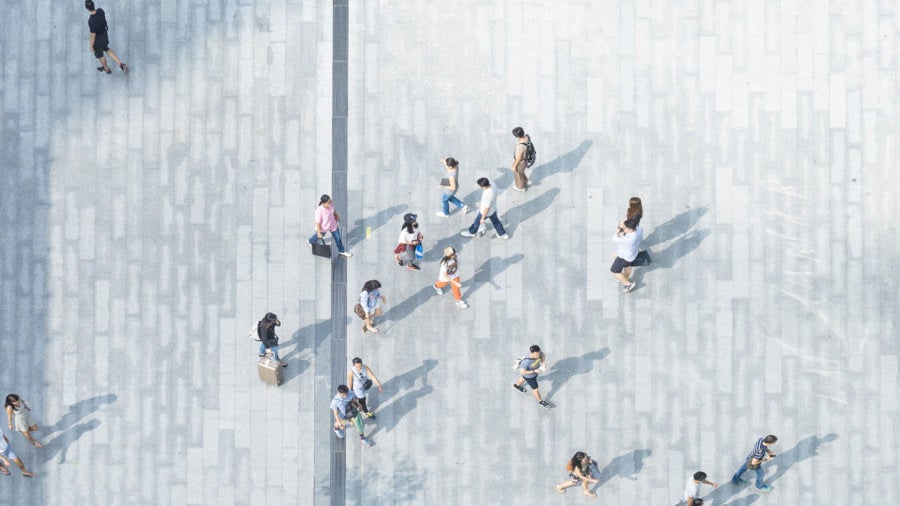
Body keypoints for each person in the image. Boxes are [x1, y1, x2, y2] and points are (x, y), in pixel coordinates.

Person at [85, 1, 128, 74]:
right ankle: (122, 65)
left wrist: (91, 45)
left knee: (100, 55)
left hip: (98, 40)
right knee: (107, 49)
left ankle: (106, 69)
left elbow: (92, 35)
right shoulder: (100, 11)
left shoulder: (91, 21)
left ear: (87, 9)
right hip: (104, 35)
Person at [610, 218, 644, 292]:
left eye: (624, 228)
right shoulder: (639, 229)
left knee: (614, 271)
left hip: (624, 257)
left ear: (629, 229)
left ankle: (628, 284)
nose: (623, 229)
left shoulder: (628, 240)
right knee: (628, 266)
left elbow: (614, 238)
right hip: (632, 254)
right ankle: (624, 278)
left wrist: (619, 227)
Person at [511, 127, 533, 192]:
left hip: (521, 162)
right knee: (521, 172)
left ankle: (520, 187)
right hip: (525, 159)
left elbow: (519, 157)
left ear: (517, 136)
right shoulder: (527, 137)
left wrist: (514, 166)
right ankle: (525, 180)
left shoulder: (520, 146)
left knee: (518, 174)